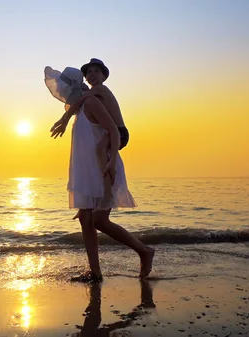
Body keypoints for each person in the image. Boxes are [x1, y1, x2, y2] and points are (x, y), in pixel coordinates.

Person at [44, 66, 154, 281]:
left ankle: (144, 251)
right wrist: (67, 118)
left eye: (63, 88)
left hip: (104, 167)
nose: (62, 93)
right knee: (86, 219)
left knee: (100, 221)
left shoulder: (93, 101)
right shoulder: (81, 109)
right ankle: (95, 272)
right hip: (88, 173)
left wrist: (112, 161)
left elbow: (113, 130)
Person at [51, 58, 127, 211]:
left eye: (96, 71)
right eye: (89, 72)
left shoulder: (100, 89)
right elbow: (80, 102)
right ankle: (99, 195)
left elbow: (79, 101)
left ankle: (107, 196)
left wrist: (64, 119)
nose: (92, 74)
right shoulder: (93, 94)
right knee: (98, 153)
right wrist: (66, 119)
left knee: (100, 149)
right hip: (112, 131)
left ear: (104, 76)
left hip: (119, 132)